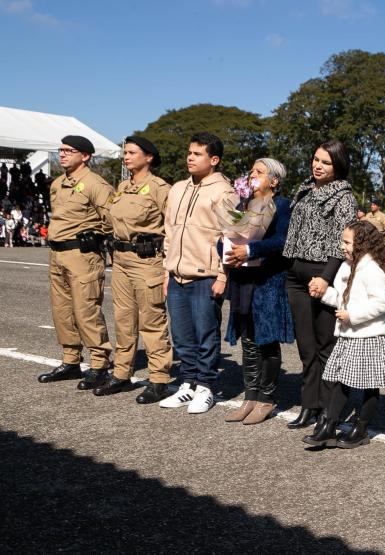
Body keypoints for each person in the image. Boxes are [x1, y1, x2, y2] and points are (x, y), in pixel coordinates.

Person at [159, 132, 239, 414]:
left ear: (213, 160)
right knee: (181, 336)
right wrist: (166, 272)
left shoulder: (225, 192)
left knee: (206, 334)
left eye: (197, 154)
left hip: (207, 275)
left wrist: (223, 276)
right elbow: (169, 232)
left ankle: (205, 386)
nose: (190, 158)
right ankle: (188, 383)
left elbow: (233, 236)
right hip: (177, 274)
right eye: (189, 152)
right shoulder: (177, 188)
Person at [302, 220, 385, 448]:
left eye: (347, 242)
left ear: (362, 244)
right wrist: (323, 294)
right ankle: (329, 426)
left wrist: (352, 315)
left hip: (370, 336)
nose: (342, 246)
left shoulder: (371, 269)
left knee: (370, 384)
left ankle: (361, 428)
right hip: (350, 335)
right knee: (340, 380)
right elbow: (342, 299)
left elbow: (382, 303)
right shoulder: (347, 267)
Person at [283, 140, 358, 430]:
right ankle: (309, 405)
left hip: (323, 273)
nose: (318, 166)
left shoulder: (344, 196)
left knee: (326, 346)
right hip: (296, 274)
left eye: (326, 162)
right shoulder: (304, 190)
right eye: (316, 159)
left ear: (338, 165)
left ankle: (329, 410)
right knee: (306, 347)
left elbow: (343, 241)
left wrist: (326, 278)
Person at [92, 136, 172, 403]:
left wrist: (168, 267)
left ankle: (159, 379)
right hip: (121, 260)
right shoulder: (123, 187)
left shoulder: (160, 188)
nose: (126, 157)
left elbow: (172, 227)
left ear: (149, 157)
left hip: (147, 261)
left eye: (132, 152)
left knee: (152, 321)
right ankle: (121, 374)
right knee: (123, 320)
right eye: (124, 152)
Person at [37, 136, 114, 388]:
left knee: (86, 310)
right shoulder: (57, 184)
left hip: (83, 255)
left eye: (69, 151)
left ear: (85, 156)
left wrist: (95, 236)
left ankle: (99, 364)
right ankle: (71, 360)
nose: (62, 154)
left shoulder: (96, 184)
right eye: (60, 150)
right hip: (57, 254)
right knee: (62, 310)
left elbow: (111, 219)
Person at [222, 158, 295, 425]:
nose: (252, 175)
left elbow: (282, 240)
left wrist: (251, 250)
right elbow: (227, 236)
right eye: (252, 171)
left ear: (274, 181)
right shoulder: (242, 205)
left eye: (259, 172)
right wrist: (226, 250)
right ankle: (250, 397)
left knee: (266, 341)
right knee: (248, 341)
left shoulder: (283, 205)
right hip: (243, 279)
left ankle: (266, 398)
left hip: (268, 281)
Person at [365, 199, 385, 276]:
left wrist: (380, 234)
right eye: (371, 205)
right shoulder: (368, 215)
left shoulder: (383, 216)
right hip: (368, 242)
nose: (372, 206)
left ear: (378, 207)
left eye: (374, 205)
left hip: (378, 242)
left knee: (379, 260)